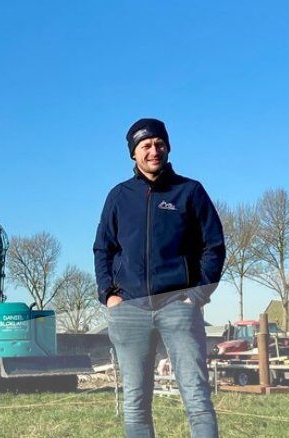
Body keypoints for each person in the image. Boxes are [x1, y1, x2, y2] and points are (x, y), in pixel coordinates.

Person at [93, 118, 225, 438]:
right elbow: (103, 249)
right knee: (136, 402)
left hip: (178, 306)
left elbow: (214, 246)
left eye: (159, 144)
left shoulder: (189, 192)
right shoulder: (119, 196)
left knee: (196, 396)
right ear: (133, 154)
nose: (154, 150)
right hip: (129, 310)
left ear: (167, 147)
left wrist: (196, 296)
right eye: (145, 146)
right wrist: (109, 295)